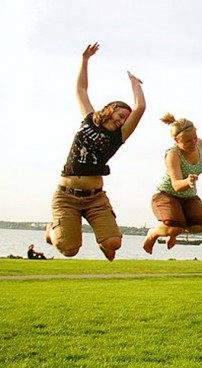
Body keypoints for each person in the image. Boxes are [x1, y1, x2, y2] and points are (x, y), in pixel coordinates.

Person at [45, 42, 145, 261]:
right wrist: (85, 60)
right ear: (110, 109)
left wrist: (135, 83)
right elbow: (81, 89)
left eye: (126, 120)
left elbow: (141, 108)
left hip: (95, 199)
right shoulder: (89, 119)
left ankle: (104, 242)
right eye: (121, 114)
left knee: (114, 243)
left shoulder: (118, 137)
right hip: (66, 197)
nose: (122, 120)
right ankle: (51, 231)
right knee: (69, 250)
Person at [142, 113, 202, 254]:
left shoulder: (199, 144)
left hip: (189, 196)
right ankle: (154, 233)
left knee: (200, 225)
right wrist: (188, 181)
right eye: (187, 142)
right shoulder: (173, 155)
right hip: (167, 195)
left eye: (194, 138)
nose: (193, 143)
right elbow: (176, 185)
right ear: (176, 140)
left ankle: (175, 229)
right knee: (174, 226)